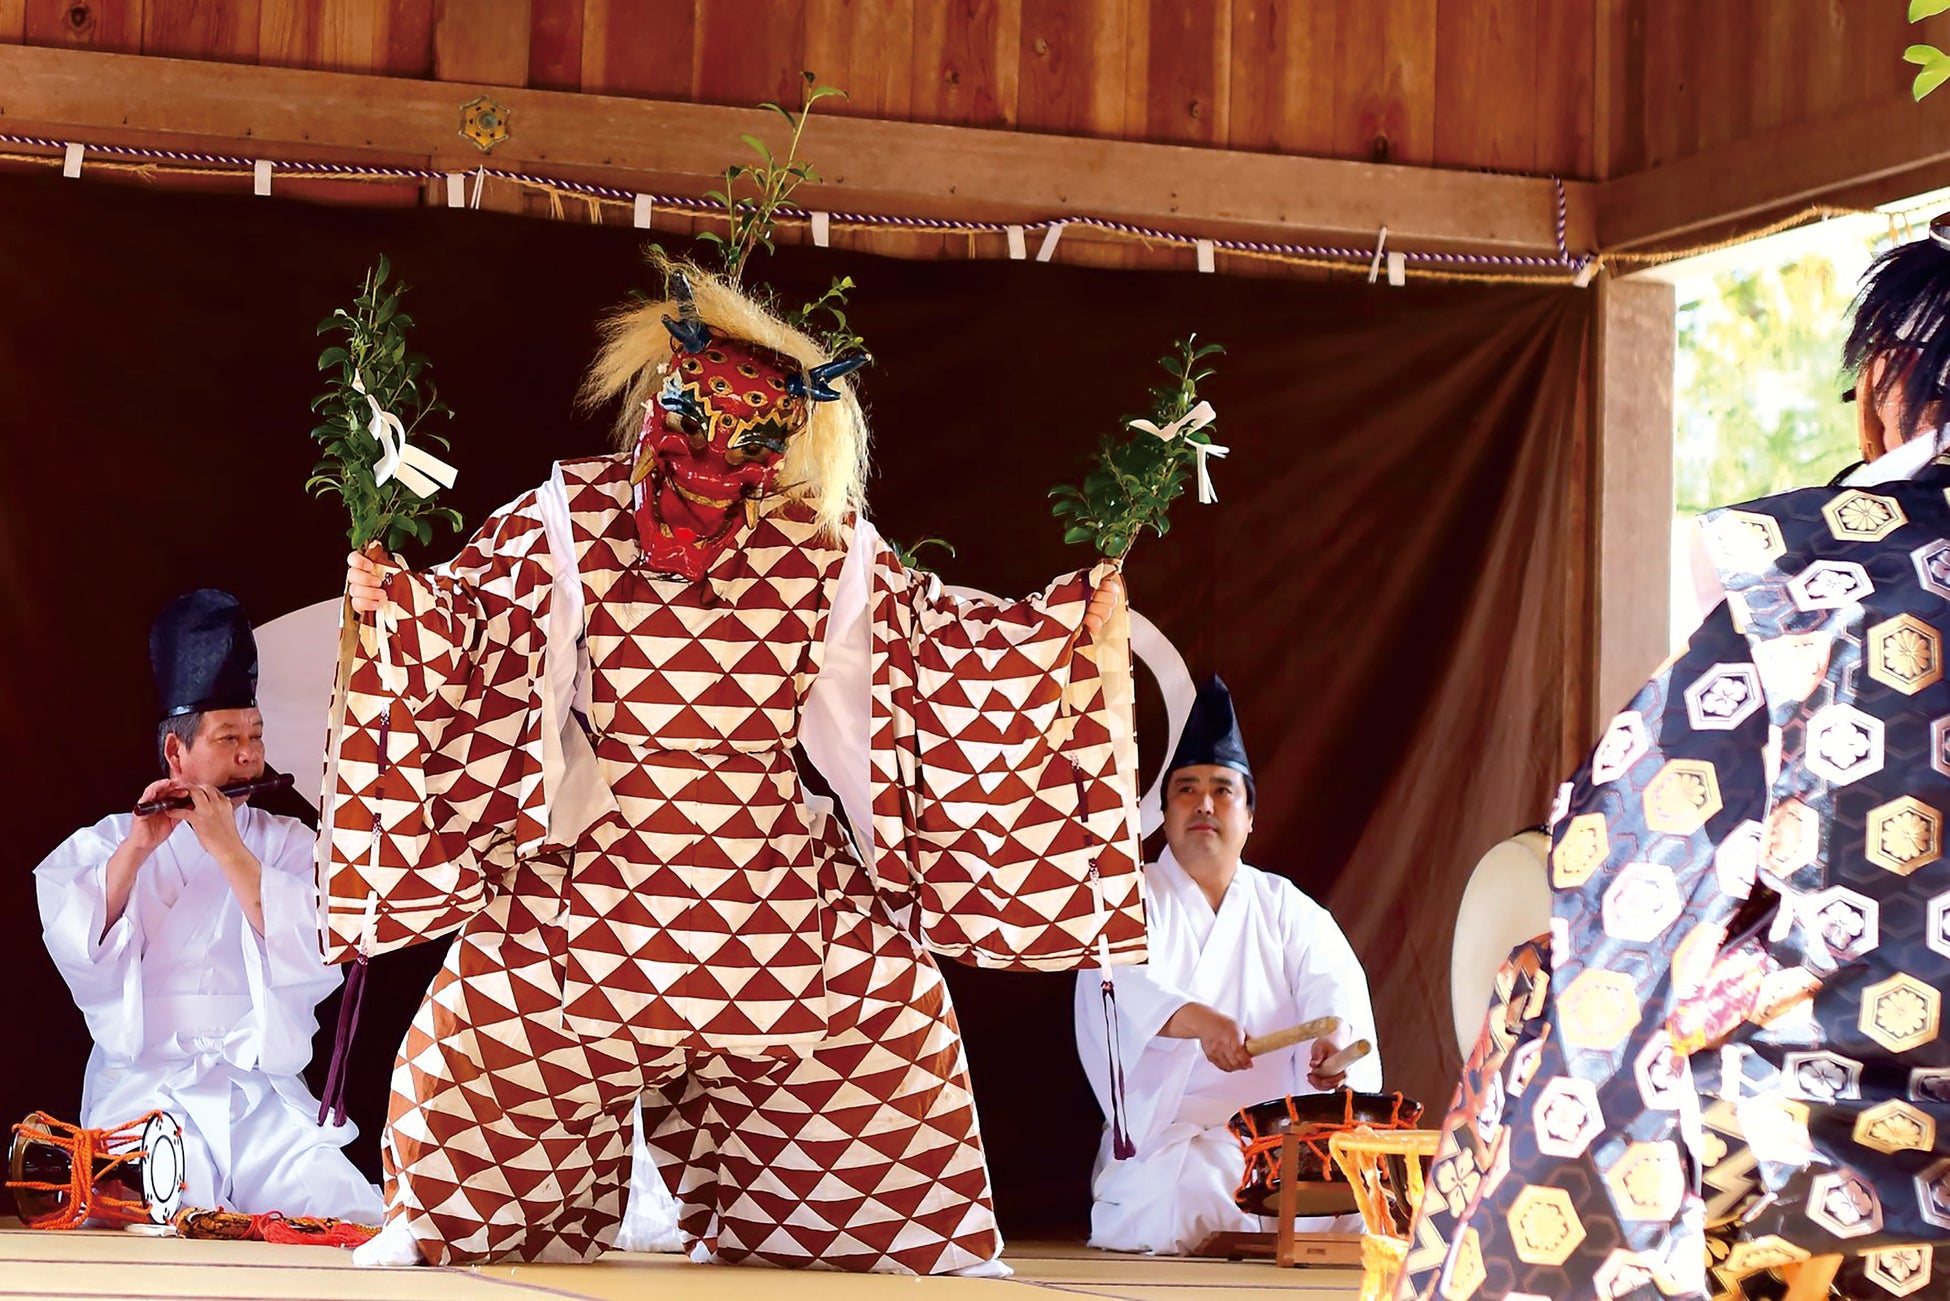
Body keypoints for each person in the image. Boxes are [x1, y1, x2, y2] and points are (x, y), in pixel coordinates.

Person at [325, 264, 1149, 1273]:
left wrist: (1053, 629)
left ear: (788, 438)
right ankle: (454, 1219)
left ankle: (876, 1224)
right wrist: (405, 605)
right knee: (494, 1027)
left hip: (767, 872)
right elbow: (489, 627)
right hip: (598, 864)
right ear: (661, 397)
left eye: (753, 436)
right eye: (696, 418)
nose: (716, 456)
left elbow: (920, 661)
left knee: (888, 1013)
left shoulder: (828, 543)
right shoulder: (572, 514)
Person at [1395, 218, 1950, 1301]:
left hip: (1851, 1084)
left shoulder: (1807, 568)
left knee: (1556, 1019)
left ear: (1889, 380)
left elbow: (1645, 830)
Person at [34, 589, 381, 1223]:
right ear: (176, 753)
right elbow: (78, 950)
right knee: (172, 1209)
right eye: (228, 739)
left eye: (256, 736)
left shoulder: (290, 844)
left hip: (259, 1092)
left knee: (345, 1212)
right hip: (147, 1091)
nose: (249, 755)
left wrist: (229, 850)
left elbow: (320, 948)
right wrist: (137, 850)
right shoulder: (108, 843)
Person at [1075, 675, 1380, 1255]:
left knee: (1351, 1193)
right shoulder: (1130, 898)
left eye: (1223, 790)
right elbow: (1121, 989)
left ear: (1249, 816)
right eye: (1186, 790)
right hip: (1172, 1138)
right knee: (1186, 1196)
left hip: (1280, 1131)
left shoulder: (1283, 905)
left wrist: (1332, 1040)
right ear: (1164, 812)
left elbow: (1332, 981)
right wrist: (1202, 1023)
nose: (1204, 804)